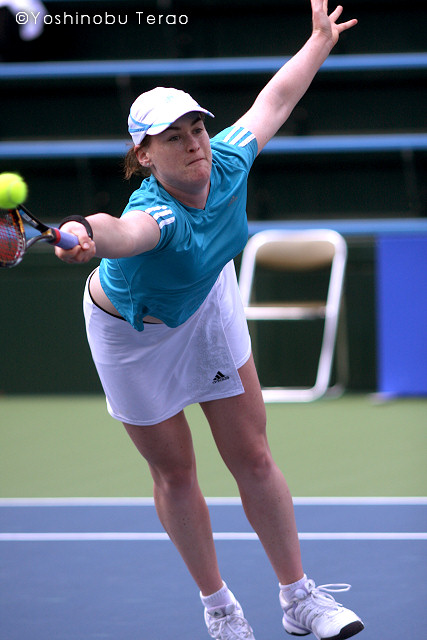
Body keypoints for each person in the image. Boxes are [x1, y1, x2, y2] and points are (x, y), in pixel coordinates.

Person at [56, 1, 364, 638]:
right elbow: (121, 231)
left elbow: (276, 99)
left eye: (196, 127)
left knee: (252, 453)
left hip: (207, 303)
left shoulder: (228, 159)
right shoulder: (156, 215)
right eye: (173, 137)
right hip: (133, 337)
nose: (194, 142)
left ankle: (299, 599)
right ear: (144, 155)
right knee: (175, 472)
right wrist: (85, 230)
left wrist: (318, 41)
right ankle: (220, 608)